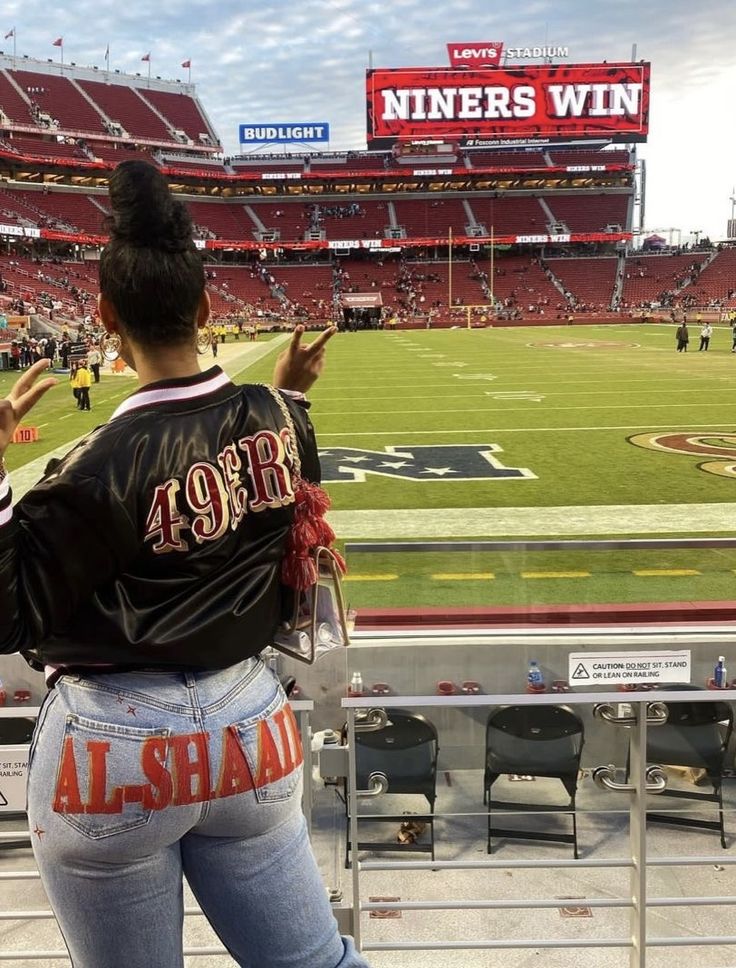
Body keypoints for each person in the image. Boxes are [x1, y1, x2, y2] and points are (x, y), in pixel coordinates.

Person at [0, 161, 367, 968]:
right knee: (315, 962)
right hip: (250, 720)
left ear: (103, 318)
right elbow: (289, 494)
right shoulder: (277, 414)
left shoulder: (84, 471)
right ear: (206, 308)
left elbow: (8, 617)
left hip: (112, 746)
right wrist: (292, 396)